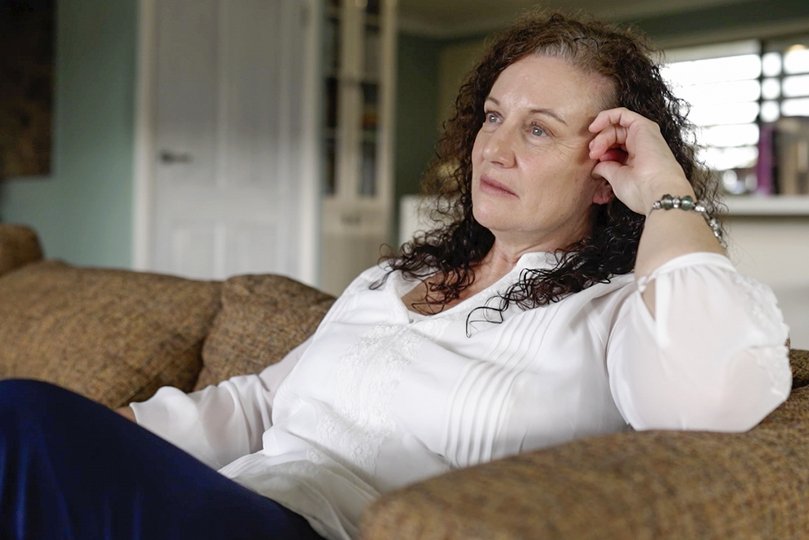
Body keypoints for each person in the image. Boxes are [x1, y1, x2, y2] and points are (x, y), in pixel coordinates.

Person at [0, 9, 792, 540]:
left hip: (313, 531)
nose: (494, 147)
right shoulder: (391, 279)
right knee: (29, 422)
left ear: (604, 169)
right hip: (235, 500)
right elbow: (263, 400)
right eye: (492, 116)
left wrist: (664, 194)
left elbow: (707, 402)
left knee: (23, 414)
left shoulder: (619, 316)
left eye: (539, 129)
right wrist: (105, 435)